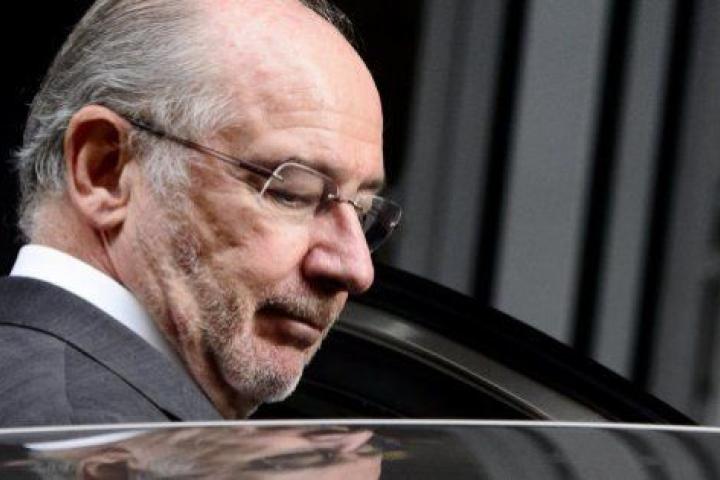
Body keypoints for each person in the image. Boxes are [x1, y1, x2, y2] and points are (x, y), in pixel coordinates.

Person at [0, 0, 401, 425]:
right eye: (291, 192)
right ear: (104, 171)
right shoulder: (87, 441)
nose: (357, 269)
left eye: (362, 212)